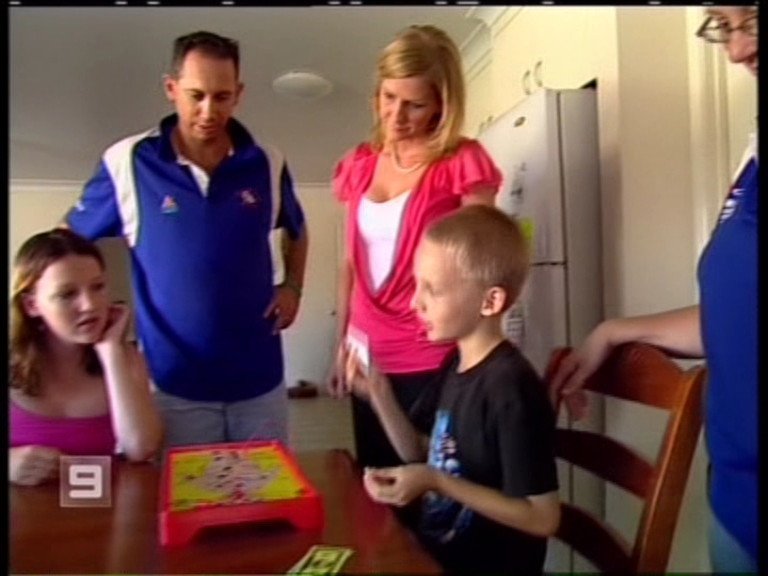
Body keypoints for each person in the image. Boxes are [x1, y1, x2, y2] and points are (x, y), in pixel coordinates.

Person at [549, 6, 758, 574]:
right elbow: (736, 315)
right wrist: (615, 330)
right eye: (723, 25)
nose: (738, 50)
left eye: (752, 17)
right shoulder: (754, 158)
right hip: (735, 502)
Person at [63, 31, 308, 447]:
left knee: (267, 488)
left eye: (222, 96)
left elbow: (297, 230)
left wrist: (293, 287)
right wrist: (93, 310)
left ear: (239, 94)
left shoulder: (267, 161)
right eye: (196, 95)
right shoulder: (128, 162)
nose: (209, 111)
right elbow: (66, 244)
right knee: (187, 490)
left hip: (260, 381)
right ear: (171, 88)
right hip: (174, 385)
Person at [345, 205, 560, 575]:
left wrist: (437, 482)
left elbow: (542, 517)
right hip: (436, 559)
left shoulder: (511, 388)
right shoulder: (454, 364)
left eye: (433, 290)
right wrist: (379, 393)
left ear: (490, 301)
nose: (415, 302)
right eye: (416, 284)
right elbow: (422, 450)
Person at [329, 24, 502, 469]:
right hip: (366, 355)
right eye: (389, 97)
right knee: (376, 483)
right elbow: (349, 264)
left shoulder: (461, 164)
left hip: (431, 354)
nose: (396, 116)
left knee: (436, 481)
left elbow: (485, 267)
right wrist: (340, 344)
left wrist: (484, 360)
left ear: (442, 104)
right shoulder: (360, 165)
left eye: (415, 104)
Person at [9, 229, 163, 486]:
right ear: (31, 305)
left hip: (98, 504)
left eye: (98, 287)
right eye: (67, 294)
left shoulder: (126, 359)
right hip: (24, 509)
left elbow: (141, 448)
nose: (90, 305)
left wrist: (111, 351)